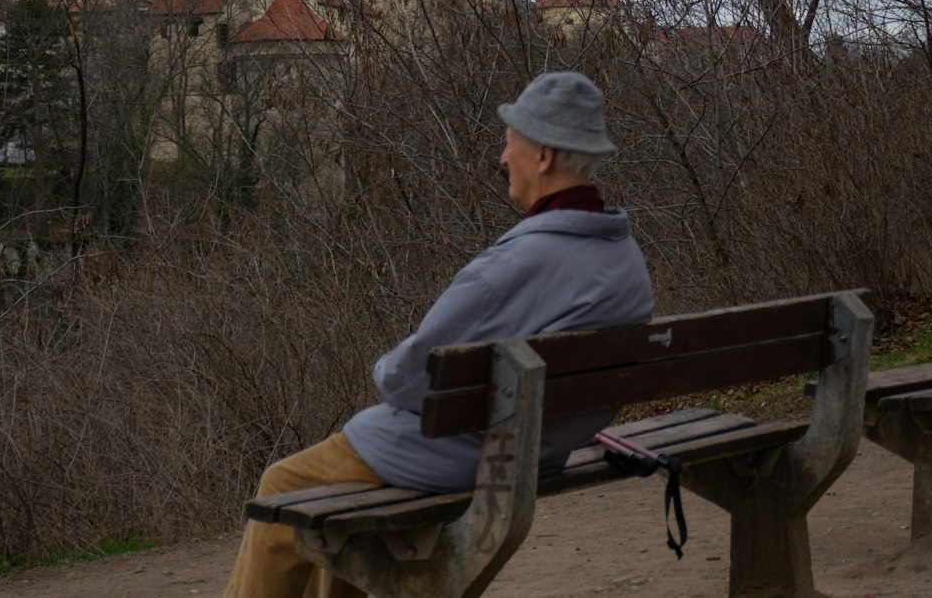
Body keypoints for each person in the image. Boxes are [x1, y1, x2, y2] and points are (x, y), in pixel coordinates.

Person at [223, 71, 654, 598]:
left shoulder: (515, 264)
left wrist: (381, 367)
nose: (502, 157)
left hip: (464, 455)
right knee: (333, 521)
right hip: (542, 447)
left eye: (509, 142)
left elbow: (409, 378)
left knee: (284, 489)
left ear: (542, 156)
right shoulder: (624, 257)